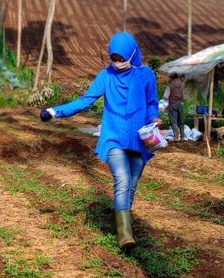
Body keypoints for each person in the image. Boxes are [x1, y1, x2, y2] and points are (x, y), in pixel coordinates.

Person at [39, 32, 161, 251]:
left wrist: (154, 117)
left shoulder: (146, 75)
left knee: (132, 184)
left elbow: (152, 102)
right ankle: (125, 236)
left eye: (121, 59)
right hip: (113, 137)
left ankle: (123, 222)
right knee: (122, 180)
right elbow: (85, 100)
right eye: (113, 58)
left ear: (133, 54)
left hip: (140, 139)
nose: (117, 63)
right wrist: (54, 111)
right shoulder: (106, 76)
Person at [162, 72, 185, 141]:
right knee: (181, 121)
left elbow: (165, 96)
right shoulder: (182, 84)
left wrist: (164, 101)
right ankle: (183, 137)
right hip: (180, 104)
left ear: (172, 77)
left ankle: (176, 137)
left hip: (172, 104)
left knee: (174, 121)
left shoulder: (170, 84)